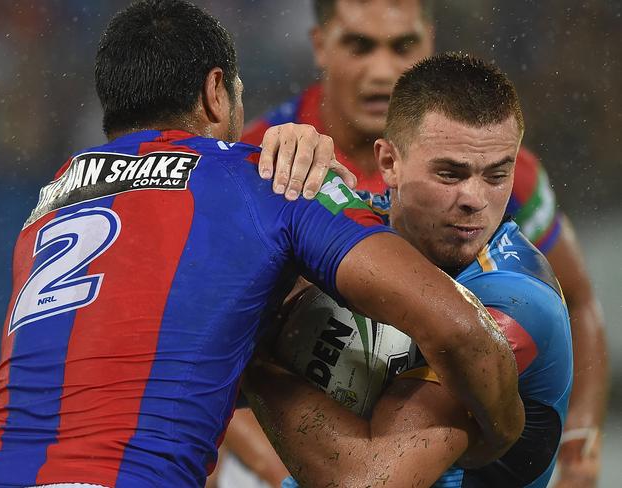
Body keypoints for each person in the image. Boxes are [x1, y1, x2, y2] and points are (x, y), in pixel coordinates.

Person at [0, 2, 523, 488]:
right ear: (216, 92)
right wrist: (498, 439)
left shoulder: (49, 202)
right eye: (237, 94)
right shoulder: (267, 180)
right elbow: (461, 333)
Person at [236, 1, 608, 486]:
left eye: (496, 174)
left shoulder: (517, 304)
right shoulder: (305, 173)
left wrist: (254, 356)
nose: (474, 198)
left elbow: (367, 483)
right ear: (389, 165)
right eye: (449, 174)